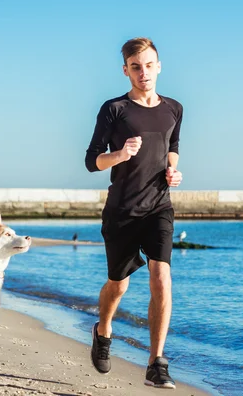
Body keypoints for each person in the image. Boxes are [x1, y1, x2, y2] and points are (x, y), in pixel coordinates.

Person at [84, 37, 183, 389]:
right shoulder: (114, 109)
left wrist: (173, 170)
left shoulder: (174, 108)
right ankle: (103, 330)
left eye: (149, 65)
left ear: (159, 66)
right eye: (135, 67)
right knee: (119, 285)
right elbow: (91, 161)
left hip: (159, 207)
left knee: (162, 278)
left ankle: (157, 362)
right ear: (125, 70)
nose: (143, 72)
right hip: (122, 210)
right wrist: (120, 155)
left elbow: (172, 147)